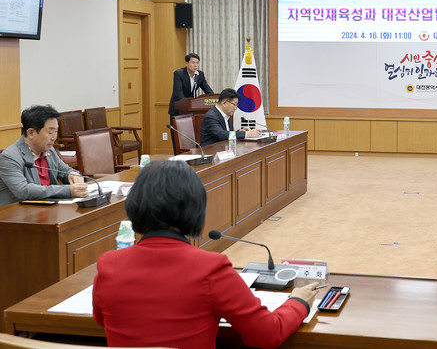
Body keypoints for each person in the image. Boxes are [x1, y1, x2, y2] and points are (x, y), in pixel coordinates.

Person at [92, 160, 320, 348]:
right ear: (196, 209)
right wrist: (298, 302)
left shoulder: (110, 265)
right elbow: (267, 334)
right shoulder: (209, 268)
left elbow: (101, 319)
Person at [0, 105, 88, 206]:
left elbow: (64, 170)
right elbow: (23, 191)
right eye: (50, 132)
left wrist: (72, 174)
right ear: (31, 133)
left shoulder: (49, 151)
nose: (54, 138)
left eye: (56, 131)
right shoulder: (9, 157)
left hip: (49, 208)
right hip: (19, 212)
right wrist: (68, 190)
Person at [167, 53, 214, 117]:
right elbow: (178, 93)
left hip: (192, 108)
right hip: (178, 108)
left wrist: (213, 98)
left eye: (197, 63)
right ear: (187, 63)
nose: (195, 65)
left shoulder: (200, 74)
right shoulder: (179, 73)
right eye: (193, 63)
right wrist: (187, 105)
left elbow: (207, 90)